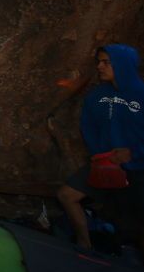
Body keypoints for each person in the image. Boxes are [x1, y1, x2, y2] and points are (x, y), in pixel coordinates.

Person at [57, 44, 144, 250]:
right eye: (99, 62)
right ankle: (84, 244)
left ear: (123, 64)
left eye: (106, 62)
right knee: (67, 195)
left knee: (135, 225)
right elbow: (88, 126)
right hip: (105, 164)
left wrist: (133, 153)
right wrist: (100, 155)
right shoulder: (96, 96)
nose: (100, 67)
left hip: (139, 168)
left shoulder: (141, 94)